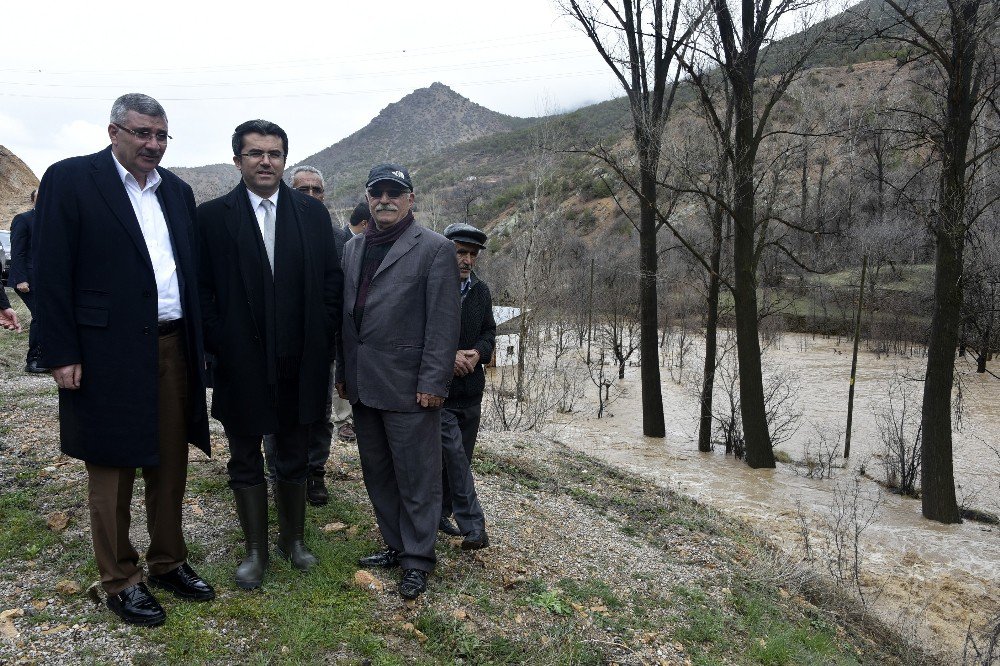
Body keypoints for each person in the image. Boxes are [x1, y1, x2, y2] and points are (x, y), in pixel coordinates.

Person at [33, 93, 214, 627]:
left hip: (172, 344)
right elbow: (50, 270)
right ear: (114, 131)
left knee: (169, 463)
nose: (152, 145)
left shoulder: (177, 192)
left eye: (160, 136)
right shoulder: (71, 179)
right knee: (111, 468)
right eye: (141, 133)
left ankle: (168, 561)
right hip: (103, 351)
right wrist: (61, 350)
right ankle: (119, 579)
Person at [197, 121, 343, 590]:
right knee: (244, 455)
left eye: (274, 153)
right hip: (240, 361)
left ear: (284, 159)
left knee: (295, 452)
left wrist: (320, 335)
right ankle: (256, 551)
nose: (266, 161)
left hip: (300, 358)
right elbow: (203, 292)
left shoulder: (312, 215)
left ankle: (293, 541)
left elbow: (329, 284)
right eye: (255, 153)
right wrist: (222, 341)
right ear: (237, 158)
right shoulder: (213, 218)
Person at [337, 163, 460, 600]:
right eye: (377, 192)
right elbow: (346, 320)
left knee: (418, 476)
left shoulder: (435, 248)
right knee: (378, 472)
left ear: (410, 198)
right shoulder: (353, 248)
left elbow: (444, 324)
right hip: (363, 383)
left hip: (411, 387)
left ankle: (418, 559)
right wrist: (342, 374)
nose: (385, 199)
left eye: (395, 192)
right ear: (368, 197)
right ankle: (395, 545)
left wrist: (434, 381)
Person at [263, 165, 355, 507]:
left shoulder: (337, 237)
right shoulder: (271, 229)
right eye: (304, 190)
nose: (312, 195)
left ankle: (315, 473)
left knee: (319, 414)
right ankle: (277, 474)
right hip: (278, 344)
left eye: (318, 189)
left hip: (321, 345)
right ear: (291, 191)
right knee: (276, 412)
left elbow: (343, 291)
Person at [438, 223, 495, 550]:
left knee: (461, 458)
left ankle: (441, 514)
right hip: (439, 393)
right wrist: (449, 357)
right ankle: (474, 525)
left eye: (472, 254)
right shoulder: (431, 286)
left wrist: (478, 353)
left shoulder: (481, 291)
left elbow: (489, 332)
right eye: (462, 252)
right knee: (453, 456)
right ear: (447, 250)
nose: (467, 260)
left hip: (471, 393)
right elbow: (416, 335)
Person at [8, 190, 45, 372]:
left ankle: (47, 357)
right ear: (33, 200)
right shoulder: (23, 219)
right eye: (39, 195)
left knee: (48, 316)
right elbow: (18, 251)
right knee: (41, 315)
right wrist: (21, 279)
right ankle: (33, 361)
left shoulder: (53, 220)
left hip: (46, 279)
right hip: (27, 279)